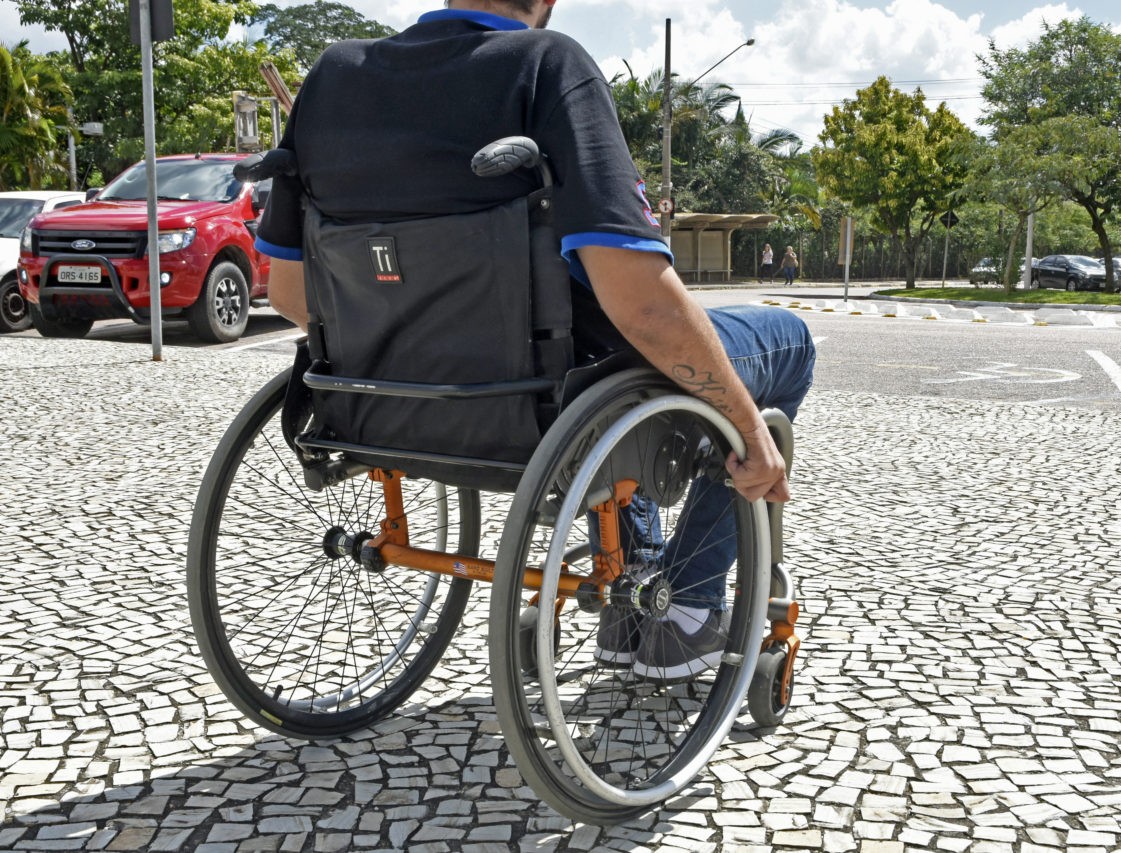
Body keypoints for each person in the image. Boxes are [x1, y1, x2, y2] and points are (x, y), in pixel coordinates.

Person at [253, 0, 815, 682]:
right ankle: (687, 609)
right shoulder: (547, 66)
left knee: (608, 355)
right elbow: (641, 303)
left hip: (384, 405)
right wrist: (746, 422)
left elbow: (289, 295)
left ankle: (631, 586)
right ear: (545, 1)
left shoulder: (333, 79)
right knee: (786, 343)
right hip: (541, 397)